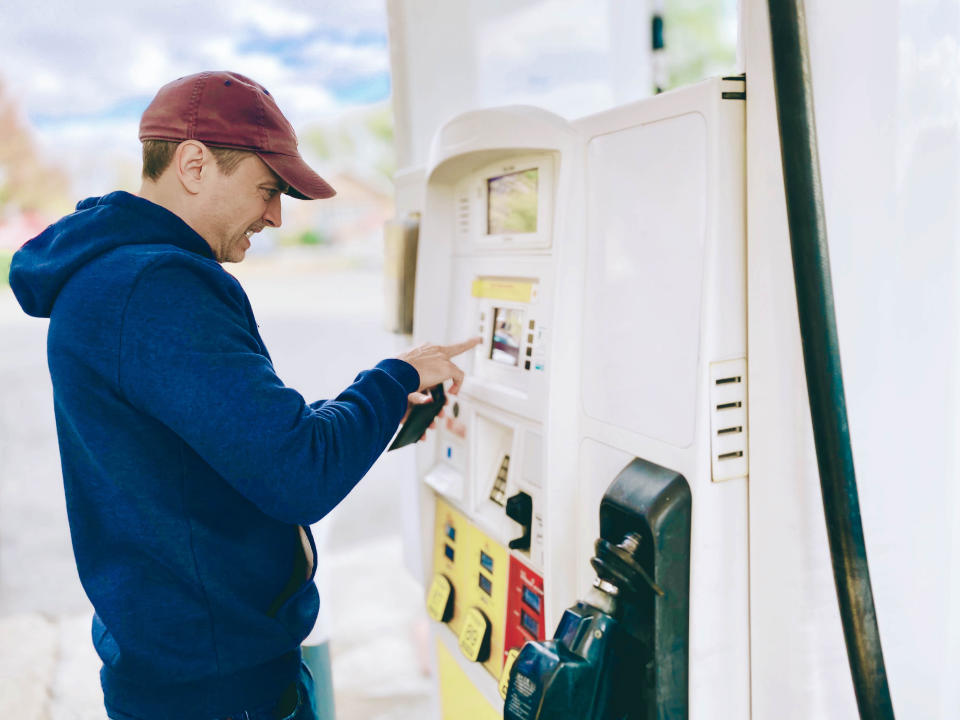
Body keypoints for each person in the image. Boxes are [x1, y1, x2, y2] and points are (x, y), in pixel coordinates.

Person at [8, 70, 479, 720]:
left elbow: (225, 449)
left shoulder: (107, 278)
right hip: (221, 693)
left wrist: (386, 417)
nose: (276, 215)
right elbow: (295, 473)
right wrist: (395, 377)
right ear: (195, 164)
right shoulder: (156, 286)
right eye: (267, 188)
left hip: (175, 673)